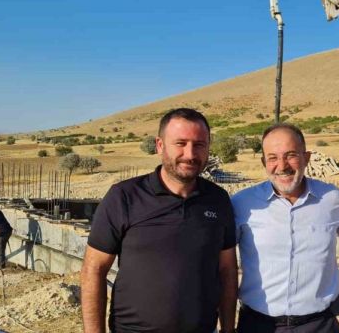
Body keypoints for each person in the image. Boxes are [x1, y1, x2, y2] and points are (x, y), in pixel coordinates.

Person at [80, 108, 238, 333]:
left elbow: (227, 270)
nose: (190, 154)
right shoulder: (124, 197)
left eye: (199, 144)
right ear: (160, 145)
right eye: (180, 143)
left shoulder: (218, 199)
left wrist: (228, 329)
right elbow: (94, 270)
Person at [232, 123, 339, 333]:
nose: (282, 166)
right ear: (264, 162)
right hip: (258, 326)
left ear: (306, 158)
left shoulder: (331, 199)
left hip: (318, 325)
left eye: (291, 155)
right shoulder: (243, 203)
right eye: (272, 157)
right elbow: (220, 260)